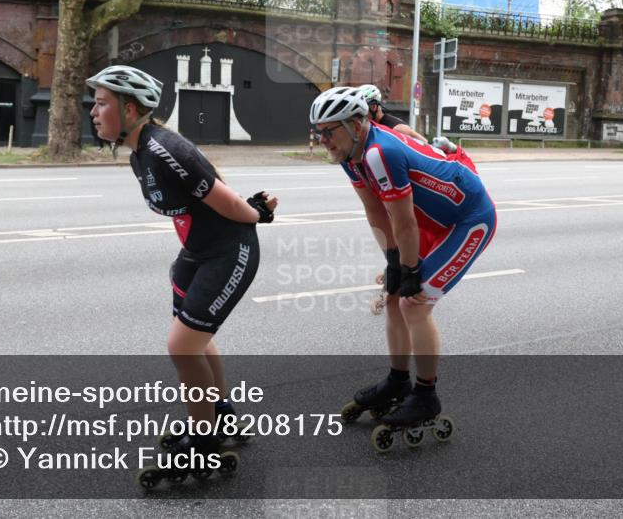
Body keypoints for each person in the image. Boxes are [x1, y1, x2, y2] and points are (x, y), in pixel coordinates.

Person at [88, 65, 277, 479]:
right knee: (197, 340)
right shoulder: (139, 153)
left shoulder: (162, 148)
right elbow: (197, 198)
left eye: (102, 103)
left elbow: (222, 197)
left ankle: (204, 441)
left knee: (183, 346)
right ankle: (220, 415)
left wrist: (257, 213)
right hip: (197, 251)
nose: (93, 112)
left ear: (131, 107)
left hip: (229, 251)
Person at [310, 86, 496, 430]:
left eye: (328, 130)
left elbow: (404, 222)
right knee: (394, 295)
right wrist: (392, 262)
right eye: (317, 131)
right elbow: (376, 215)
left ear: (354, 123)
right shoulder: (350, 154)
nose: (322, 139)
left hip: (469, 218)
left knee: (415, 303)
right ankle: (398, 380)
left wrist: (408, 267)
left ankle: (426, 395)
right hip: (431, 219)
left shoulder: (380, 152)